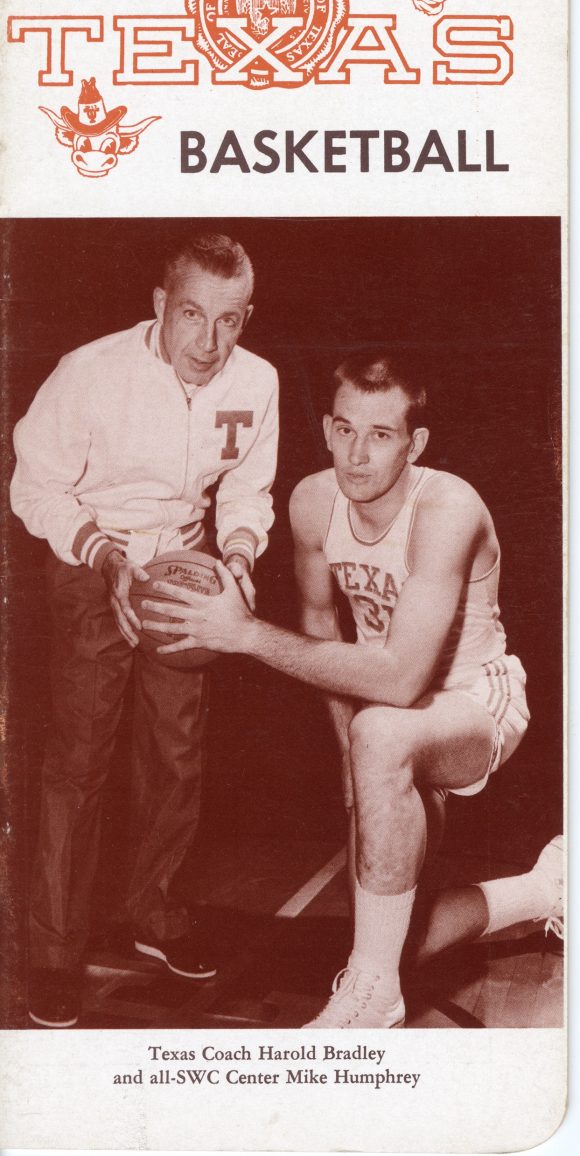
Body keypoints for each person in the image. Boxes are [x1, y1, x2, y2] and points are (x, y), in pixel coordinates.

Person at [141, 351, 563, 1028]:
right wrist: (346, 754)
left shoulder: (447, 507)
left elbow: (400, 677)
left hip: (476, 704)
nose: (356, 455)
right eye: (343, 430)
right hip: (385, 715)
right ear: (330, 428)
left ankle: (372, 1003)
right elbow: (318, 621)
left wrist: (247, 634)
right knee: (400, 939)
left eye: (381, 434)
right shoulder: (313, 502)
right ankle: (545, 889)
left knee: (381, 730)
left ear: (415, 442)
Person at [10, 231, 279, 1028]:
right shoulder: (90, 373)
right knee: (80, 755)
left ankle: (153, 915)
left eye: (229, 321)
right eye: (192, 314)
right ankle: (53, 953)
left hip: (187, 560)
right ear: (161, 305)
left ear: (246, 317)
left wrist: (236, 555)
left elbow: (247, 492)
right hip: (95, 551)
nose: (209, 341)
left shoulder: (256, 381)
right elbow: (35, 488)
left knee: (177, 751)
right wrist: (106, 559)